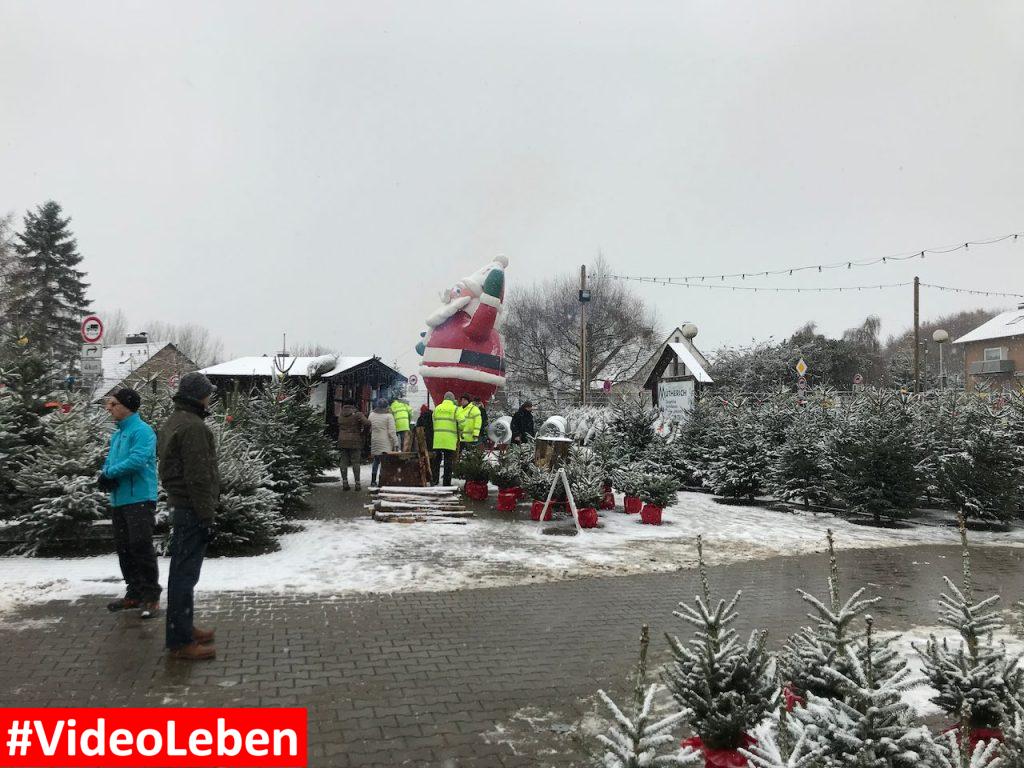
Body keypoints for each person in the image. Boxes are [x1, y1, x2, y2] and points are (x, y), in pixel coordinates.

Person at [158, 372, 220, 661]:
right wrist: (207, 516)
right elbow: (198, 476)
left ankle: (183, 627)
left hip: (180, 505)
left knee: (182, 573)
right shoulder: (193, 427)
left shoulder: (175, 421)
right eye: (208, 393)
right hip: (192, 508)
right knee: (184, 575)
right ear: (199, 396)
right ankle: (180, 642)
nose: (210, 397)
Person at [99, 387, 161, 619]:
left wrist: (111, 473)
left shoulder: (142, 431)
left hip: (139, 499)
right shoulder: (118, 434)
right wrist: (105, 474)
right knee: (124, 548)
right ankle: (134, 593)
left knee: (140, 546)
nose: (109, 408)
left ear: (126, 406)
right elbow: (111, 460)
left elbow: (137, 460)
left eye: (113, 404)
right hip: (120, 499)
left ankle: (151, 597)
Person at [336, 399, 369, 491]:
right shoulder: (357, 414)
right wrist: (363, 433)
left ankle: (345, 483)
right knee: (356, 462)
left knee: (343, 462)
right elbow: (367, 423)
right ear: (354, 405)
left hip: (342, 440)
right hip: (355, 440)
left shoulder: (340, 414)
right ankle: (357, 484)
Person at [368, 397, 398, 487]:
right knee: (384, 462)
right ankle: (382, 480)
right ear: (387, 406)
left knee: (376, 460)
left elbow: (369, 428)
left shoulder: (372, 414)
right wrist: (396, 442)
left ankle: (373, 481)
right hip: (385, 442)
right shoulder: (389, 416)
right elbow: (391, 431)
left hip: (375, 440)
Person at [431, 392, 458, 486]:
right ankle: (446, 483)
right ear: (452, 399)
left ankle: (434, 480)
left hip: (438, 439)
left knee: (436, 461)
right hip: (449, 440)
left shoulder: (438, 408)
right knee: (448, 462)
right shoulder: (455, 409)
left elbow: (433, 420)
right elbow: (462, 421)